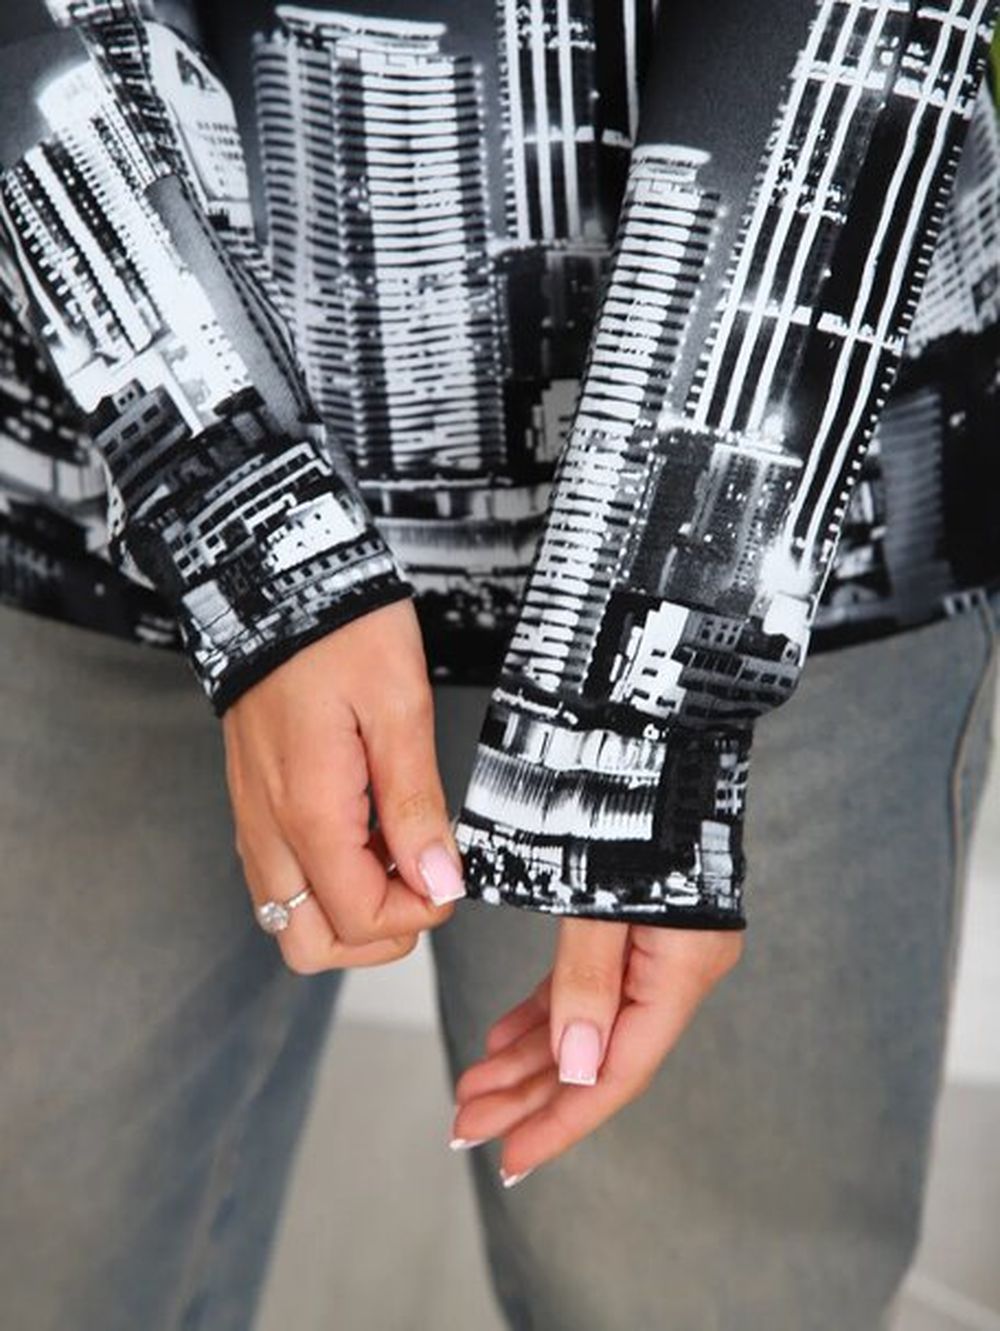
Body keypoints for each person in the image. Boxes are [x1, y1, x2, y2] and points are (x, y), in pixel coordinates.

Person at [0, 1, 997, 1328]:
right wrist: (240, 520)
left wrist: (664, 651)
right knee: (45, 1268)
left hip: (783, 533)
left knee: (697, 1296)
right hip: (90, 492)